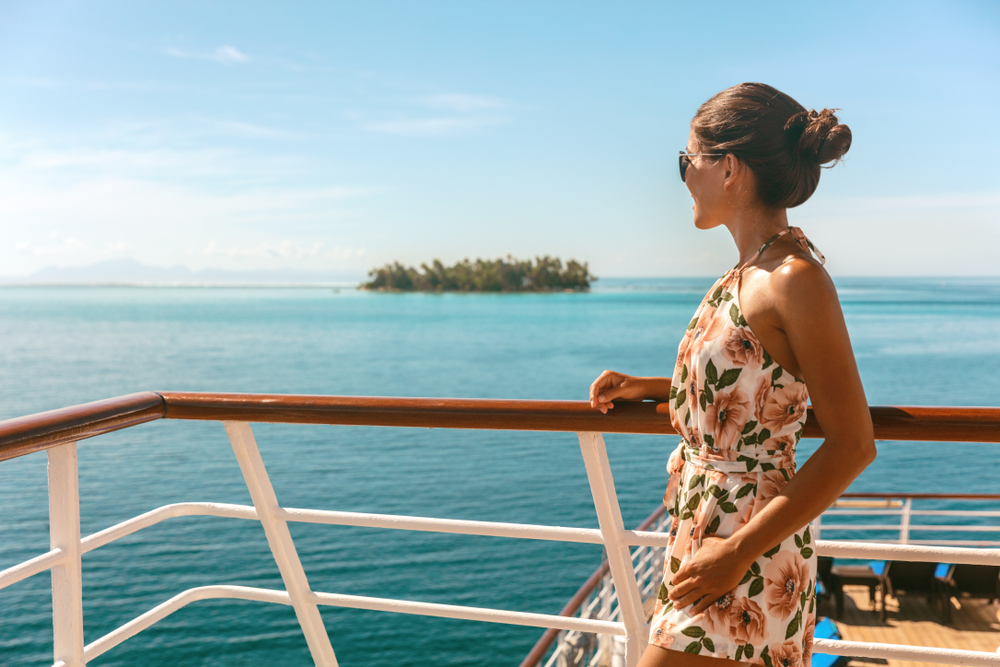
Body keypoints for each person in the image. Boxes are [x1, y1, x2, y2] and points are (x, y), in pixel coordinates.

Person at [588, 83, 876, 667]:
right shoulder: (744, 273)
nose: (683, 179)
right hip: (706, 535)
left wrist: (738, 552)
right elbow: (752, 380)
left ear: (729, 169)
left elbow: (853, 444)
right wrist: (647, 387)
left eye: (685, 162)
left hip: (750, 548)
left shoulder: (795, 279)